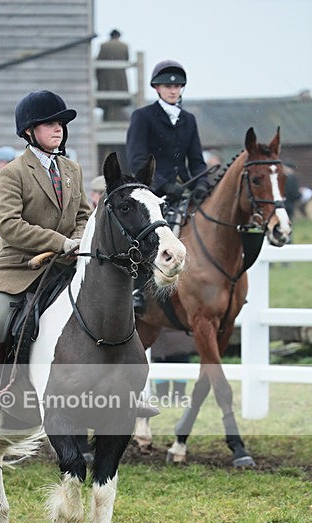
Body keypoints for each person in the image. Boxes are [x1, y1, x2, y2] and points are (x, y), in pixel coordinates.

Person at [0, 90, 92, 430]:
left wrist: (79, 239)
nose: (58, 129)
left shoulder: (72, 169)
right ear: (29, 131)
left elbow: (84, 213)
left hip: (67, 261)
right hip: (18, 266)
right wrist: (60, 241)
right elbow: (8, 225)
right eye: (50, 124)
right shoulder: (13, 172)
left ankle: (124, 386)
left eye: (61, 124)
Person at [126, 59, 208, 313]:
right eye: (166, 86)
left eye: (177, 86)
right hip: (151, 189)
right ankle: (136, 289)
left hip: (183, 188)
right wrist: (162, 184)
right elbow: (137, 159)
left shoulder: (189, 119)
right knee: (143, 234)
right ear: (157, 88)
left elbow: (196, 160)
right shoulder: (143, 117)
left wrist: (202, 183)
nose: (173, 90)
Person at [96, 29, 130, 122]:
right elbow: (126, 60)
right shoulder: (124, 46)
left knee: (107, 103)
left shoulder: (104, 46)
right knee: (118, 103)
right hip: (120, 79)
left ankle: (108, 120)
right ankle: (116, 120)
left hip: (105, 79)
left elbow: (99, 60)